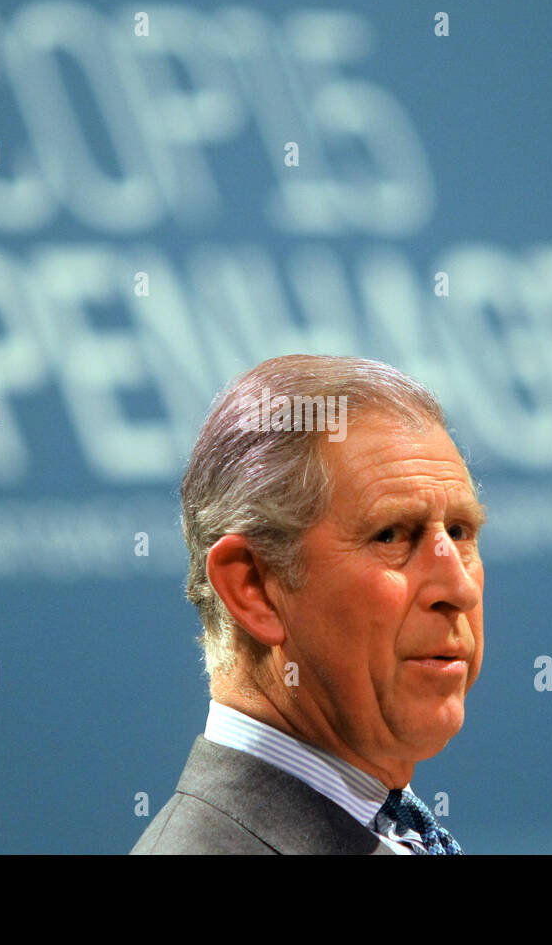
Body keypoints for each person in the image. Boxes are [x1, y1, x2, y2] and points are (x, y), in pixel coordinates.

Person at [131, 355, 486, 854]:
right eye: (391, 535)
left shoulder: (389, 822)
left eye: (459, 532)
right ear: (254, 588)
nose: (460, 589)